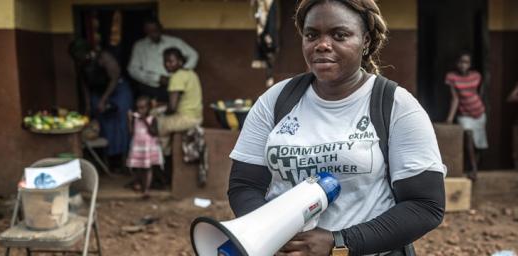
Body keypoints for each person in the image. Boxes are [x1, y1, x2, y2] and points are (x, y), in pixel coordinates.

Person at [227, 1, 446, 255]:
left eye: (339, 35)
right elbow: (244, 185)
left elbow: (425, 205)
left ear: (365, 41)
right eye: (311, 35)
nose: (322, 44)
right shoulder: (276, 100)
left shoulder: (395, 105)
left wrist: (339, 242)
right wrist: (271, 233)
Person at [70, 39, 133, 168]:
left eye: (79, 56)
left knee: (121, 120)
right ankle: (108, 159)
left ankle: (123, 159)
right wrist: (88, 105)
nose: (78, 59)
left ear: (86, 52)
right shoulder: (81, 64)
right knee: (100, 119)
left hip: (117, 89)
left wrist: (103, 100)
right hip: (98, 91)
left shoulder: (103, 57)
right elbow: (85, 86)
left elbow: (114, 78)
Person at [128, 18, 199, 103]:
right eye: (149, 31)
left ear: (161, 28)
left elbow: (194, 55)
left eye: (155, 30)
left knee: (174, 110)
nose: (153, 33)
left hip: (174, 85)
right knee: (152, 114)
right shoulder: (139, 46)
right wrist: (157, 78)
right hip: (150, 87)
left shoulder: (174, 42)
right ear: (145, 31)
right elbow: (132, 70)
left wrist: (181, 72)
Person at [445, 52, 487, 180]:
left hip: (479, 113)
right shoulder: (451, 77)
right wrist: (450, 118)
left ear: (470, 64)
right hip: (464, 114)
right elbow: (455, 98)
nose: (463, 65)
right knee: (468, 136)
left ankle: (473, 168)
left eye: (466, 62)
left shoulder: (476, 76)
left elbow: (478, 93)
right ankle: (474, 170)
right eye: (461, 62)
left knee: (479, 145)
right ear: (457, 63)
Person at [156, 48, 203, 154]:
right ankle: (167, 154)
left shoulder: (177, 77)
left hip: (186, 119)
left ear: (180, 61)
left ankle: (162, 158)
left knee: (157, 124)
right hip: (197, 117)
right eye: (165, 61)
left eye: (171, 61)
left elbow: (172, 108)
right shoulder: (191, 73)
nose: (167, 64)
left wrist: (162, 114)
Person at [126, 96, 163, 198]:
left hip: (148, 148)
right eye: (138, 108)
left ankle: (146, 190)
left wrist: (145, 120)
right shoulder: (136, 119)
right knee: (137, 167)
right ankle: (139, 184)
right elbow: (131, 133)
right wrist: (129, 120)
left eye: (143, 108)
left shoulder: (152, 119)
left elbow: (154, 132)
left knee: (147, 168)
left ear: (149, 108)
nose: (140, 110)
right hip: (138, 147)